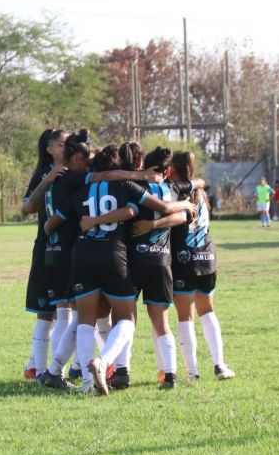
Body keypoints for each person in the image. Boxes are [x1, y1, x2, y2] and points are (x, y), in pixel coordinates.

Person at [45, 145, 194, 395]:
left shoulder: (81, 190)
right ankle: (105, 363)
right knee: (127, 318)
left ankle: (86, 383)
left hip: (81, 257)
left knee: (85, 322)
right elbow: (137, 210)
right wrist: (186, 205)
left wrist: (84, 222)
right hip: (116, 257)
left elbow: (51, 225)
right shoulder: (126, 187)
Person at [135, 150, 235, 383]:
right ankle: (219, 365)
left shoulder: (174, 189)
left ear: (174, 169)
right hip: (207, 255)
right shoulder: (198, 189)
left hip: (183, 257)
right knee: (208, 311)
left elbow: (177, 217)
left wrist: (152, 224)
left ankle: (193, 372)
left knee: (184, 316)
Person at [20, 128, 68, 380]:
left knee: (64, 311)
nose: (66, 146)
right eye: (61, 144)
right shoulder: (43, 173)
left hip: (68, 250)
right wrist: (47, 180)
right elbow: (26, 207)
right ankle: (39, 371)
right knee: (47, 312)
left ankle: (35, 365)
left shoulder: (75, 169)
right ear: (49, 148)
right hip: (46, 248)